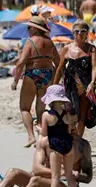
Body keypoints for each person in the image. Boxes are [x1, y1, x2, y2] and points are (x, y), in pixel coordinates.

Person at [12, 17, 60, 147]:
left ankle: (31, 136)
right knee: (40, 110)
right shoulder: (49, 42)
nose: (27, 30)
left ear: (35, 29)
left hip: (32, 74)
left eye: (29, 28)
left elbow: (21, 62)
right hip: (47, 75)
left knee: (24, 108)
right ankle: (42, 139)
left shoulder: (30, 42)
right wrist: (54, 78)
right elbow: (58, 61)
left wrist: (15, 81)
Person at [54, 20, 96, 137]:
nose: (79, 34)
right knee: (69, 114)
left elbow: (94, 67)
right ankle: (70, 140)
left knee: (82, 116)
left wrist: (92, 82)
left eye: (83, 31)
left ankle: (78, 141)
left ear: (87, 33)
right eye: (76, 31)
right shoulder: (66, 49)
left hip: (85, 86)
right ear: (73, 33)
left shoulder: (91, 49)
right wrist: (53, 86)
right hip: (70, 86)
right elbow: (60, 69)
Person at [41, 84, 79, 187]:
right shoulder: (67, 114)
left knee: (55, 176)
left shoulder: (46, 115)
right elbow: (69, 130)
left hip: (55, 147)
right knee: (69, 175)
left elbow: (44, 134)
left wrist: (38, 128)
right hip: (68, 145)